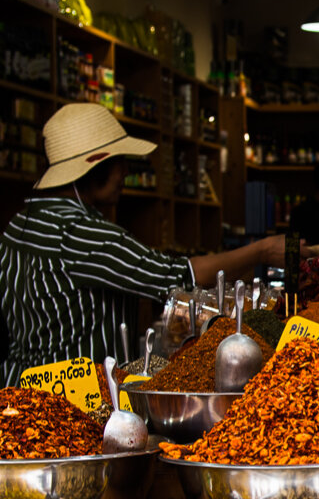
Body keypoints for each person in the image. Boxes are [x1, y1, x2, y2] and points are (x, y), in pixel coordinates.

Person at [0, 103, 285, 381]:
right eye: (119, 161)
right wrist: (263, 250)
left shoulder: (19, 224)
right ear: (94, 165)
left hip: (18, 387)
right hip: (71, 396)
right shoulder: (82, 233)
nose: (126, 171)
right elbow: (177, 277)